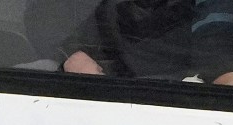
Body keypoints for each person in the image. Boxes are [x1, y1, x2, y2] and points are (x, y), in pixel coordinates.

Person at [59, 0, 194, 80]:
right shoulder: (109, 12)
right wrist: (76, 62)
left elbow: (209, 67)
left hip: (178, 100)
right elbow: (70, 52)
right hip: (115, 98)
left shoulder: (200, 15)